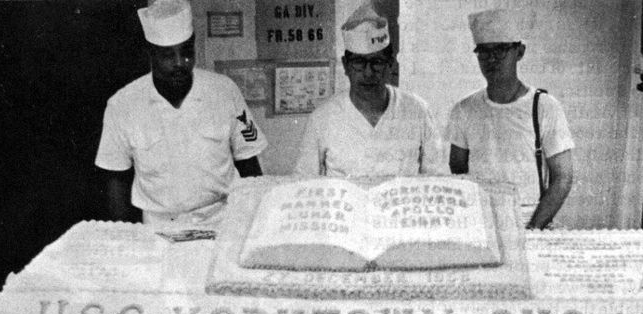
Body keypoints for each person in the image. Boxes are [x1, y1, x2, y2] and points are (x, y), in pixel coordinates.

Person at [95, 0, 266, 226]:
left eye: (186, 51)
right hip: (159, 228)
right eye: (167, 55)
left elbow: (250, 164)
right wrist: (129, 239)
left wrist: (255, 222)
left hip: (221, 220)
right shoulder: (122, 105)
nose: (179, 63)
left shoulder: (225, 91)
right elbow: (116, 181)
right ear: (151, 54)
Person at [447, 9, 574, 229]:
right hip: (482, 223)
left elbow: (562, 178)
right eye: (484, 52)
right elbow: (459, 170)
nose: (491, 59)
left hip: (530, 218)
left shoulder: (544, 107)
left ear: (520, 51)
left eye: (501, 50)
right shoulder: (464, 110)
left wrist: (533, 229)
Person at [294, 2, 448, 177]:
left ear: (390, 64)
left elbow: (437, 178)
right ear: (346, 65)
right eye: (359, 62)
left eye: (377, 62)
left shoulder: (417, 111)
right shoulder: (322, 118)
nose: (368, 72)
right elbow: (304, 182)